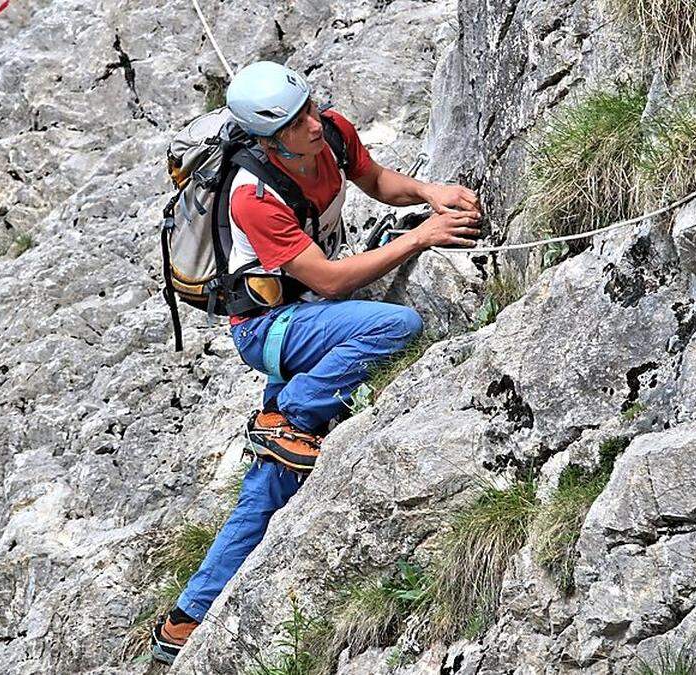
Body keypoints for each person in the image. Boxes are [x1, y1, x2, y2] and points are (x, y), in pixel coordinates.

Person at [152, 61, 482, 663]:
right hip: (267, 329)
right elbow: (330, 282)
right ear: (268, 140)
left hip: (305, 318)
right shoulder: (253, 195)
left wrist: (429, 193)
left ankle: (185, 618)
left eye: (309, 109)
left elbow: (376, 180)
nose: (312, 123)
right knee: (398, 325)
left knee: (273, 481)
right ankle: (297, 411)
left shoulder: (328, 130)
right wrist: (420, 238)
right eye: (296, 121)